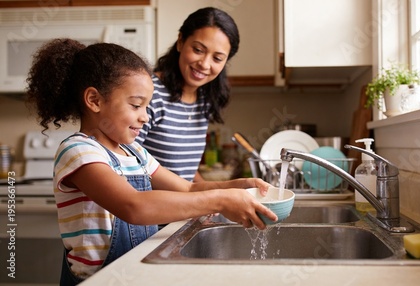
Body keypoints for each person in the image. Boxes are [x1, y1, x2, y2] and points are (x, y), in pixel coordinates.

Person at [25, 38, 277, 285]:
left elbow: (187, 187)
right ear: (94, 100)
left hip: (134, 275)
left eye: (147, 106)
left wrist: (236, 187)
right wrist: (221, 201)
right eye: (136, 105)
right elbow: (134, 206)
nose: (145, 117)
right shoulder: (79, 151)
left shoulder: (135, 152)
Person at [136, 7, 239, 182]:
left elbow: (184, 172)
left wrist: (206, 191)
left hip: (182, 207)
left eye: (217, 58)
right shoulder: (151, 94)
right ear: (180, 42)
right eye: (198, 50)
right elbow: (126, 163)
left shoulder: (204, 100)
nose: (205, 64)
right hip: (154, 207)